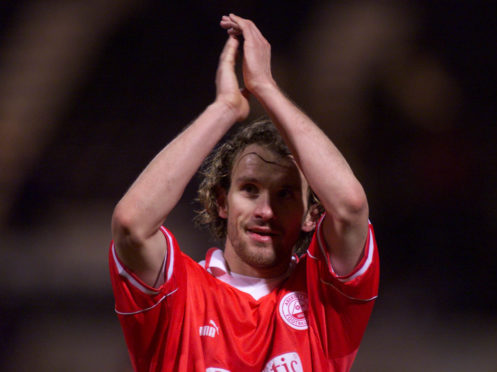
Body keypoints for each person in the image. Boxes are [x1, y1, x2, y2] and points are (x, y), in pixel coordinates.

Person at [109, 13, 379, 372]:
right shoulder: (178, 292)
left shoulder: (326, 301)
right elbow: (131, 223)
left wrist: (266, 86)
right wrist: (224, 109)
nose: (265, 210)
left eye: (285, 194)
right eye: (250, 190)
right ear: (222, 201)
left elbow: (350, 205)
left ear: (313, 214)